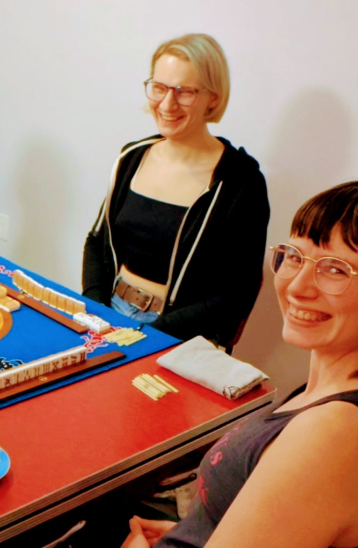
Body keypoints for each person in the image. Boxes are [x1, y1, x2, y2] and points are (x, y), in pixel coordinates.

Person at [118, 179, 358, 548]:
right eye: (294, 255)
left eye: (335, 270)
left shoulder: (335, 434)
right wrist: (202, 530)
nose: (296, 286)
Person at [82, 33, 269, 347]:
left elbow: (238, 289)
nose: (167, 104)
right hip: (112, 315)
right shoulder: (132, 158)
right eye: (159, 87)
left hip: (182, 337)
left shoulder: (238, 182)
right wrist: (96, 310)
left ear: (214, 97)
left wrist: (155, 334)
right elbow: (97, 241)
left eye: (184, 92)